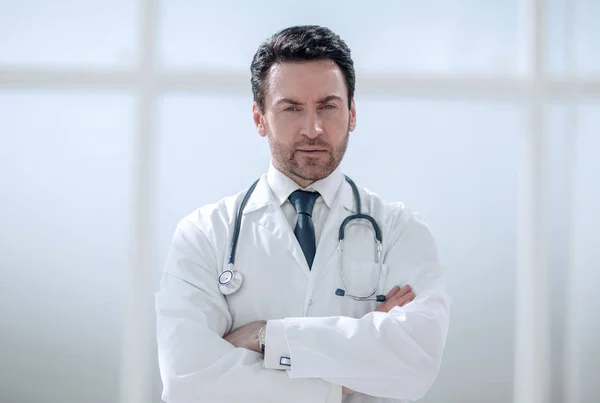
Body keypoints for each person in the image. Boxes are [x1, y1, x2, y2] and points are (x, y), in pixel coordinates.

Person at [155, 25, 451, 403]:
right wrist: (350, 374)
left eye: (327, 106)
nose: (312, 128)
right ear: (259, 119)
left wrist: (263, 337)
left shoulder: (400, 231)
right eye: (291, 108)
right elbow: (188, 382)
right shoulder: (203, 234)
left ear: (352, 113)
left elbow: (414, 364)